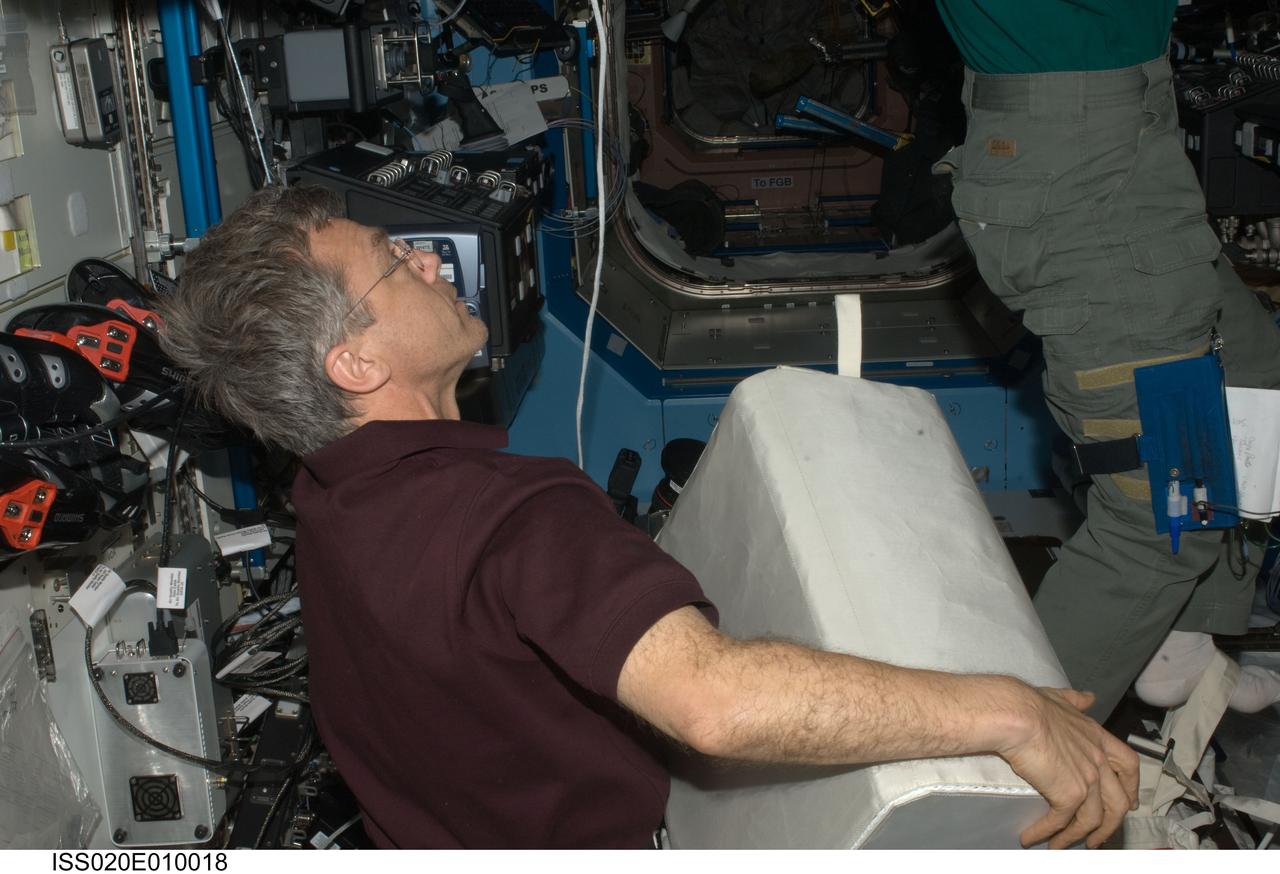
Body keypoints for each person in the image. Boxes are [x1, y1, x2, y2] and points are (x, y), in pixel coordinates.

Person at [159, 184, 1138, 849]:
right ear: (355, 366)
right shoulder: (507, 517)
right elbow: (712, 702)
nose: (422, 257)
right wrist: (1003, 708)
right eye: (389, 262)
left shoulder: (329, 502)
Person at [934, 1, 1280, 722]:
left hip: (1130, 144)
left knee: (1252, 370)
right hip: (1081, 167)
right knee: (1163, 510)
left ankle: (1176, 642)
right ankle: (1006, 784)